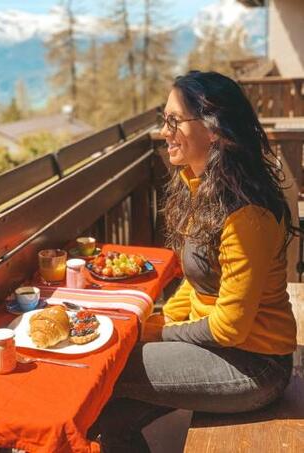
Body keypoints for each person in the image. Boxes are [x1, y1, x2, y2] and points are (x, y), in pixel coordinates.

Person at [88, 70, 297, 453]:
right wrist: (161, 319)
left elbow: (230, 328)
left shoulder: (245, 214)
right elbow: (199, 282)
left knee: (105, 370)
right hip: (222, 349)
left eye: (174, 121)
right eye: (163, 119)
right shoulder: (200, 185)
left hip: (254, 365)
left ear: (214, 130)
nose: (165, 131)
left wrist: (157, 333)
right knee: (110, 413)